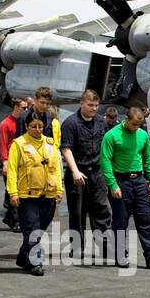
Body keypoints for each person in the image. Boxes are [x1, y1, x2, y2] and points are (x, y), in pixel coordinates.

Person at [100, 106, 150, 269]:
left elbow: (148, 158)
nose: (135, 128)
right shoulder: (112, 135)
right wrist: (112, 185)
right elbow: (105, 161)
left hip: (139, 180)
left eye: (138, 126)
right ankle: (119, 254)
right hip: (121, 180)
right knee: (120, 220)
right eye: (133, 125)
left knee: (145, 218)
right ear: (126, 120)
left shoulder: (142, 135)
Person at [6, 115, 64, 275]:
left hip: (48, 194)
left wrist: (59, 189)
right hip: (27, 196)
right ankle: (35, 262)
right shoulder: (18, 144)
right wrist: (13, 192)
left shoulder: (50, 143)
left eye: (40, 126)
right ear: (26, 126)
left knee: (40, 228)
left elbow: (57, 168)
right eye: (33, 126)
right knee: (32, 230)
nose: (37, 130)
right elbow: (11, 170)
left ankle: (23, 258)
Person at [60, 89, 112, 255]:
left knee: (102, 210)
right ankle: (77, 247)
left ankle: (105, 246)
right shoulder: (70, 123)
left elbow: (106, 147)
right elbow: (66, 149)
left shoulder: (101, 122)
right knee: (77, 212)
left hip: (97, 173)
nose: (94, 108)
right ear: (81, 103)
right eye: (90, 105)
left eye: (96, 105)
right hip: (78, 171)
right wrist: (75, 172)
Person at [0, 98, 27, 231]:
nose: (26, 110)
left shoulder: (23, 122)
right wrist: (5, 162)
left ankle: (10, 217)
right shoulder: (6, 123)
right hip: (10, 161)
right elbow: (3, 143)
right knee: (12, 192)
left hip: (21, 161)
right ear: (16, 107)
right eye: (24, 107)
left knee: (18, 191)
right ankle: (15, 220)